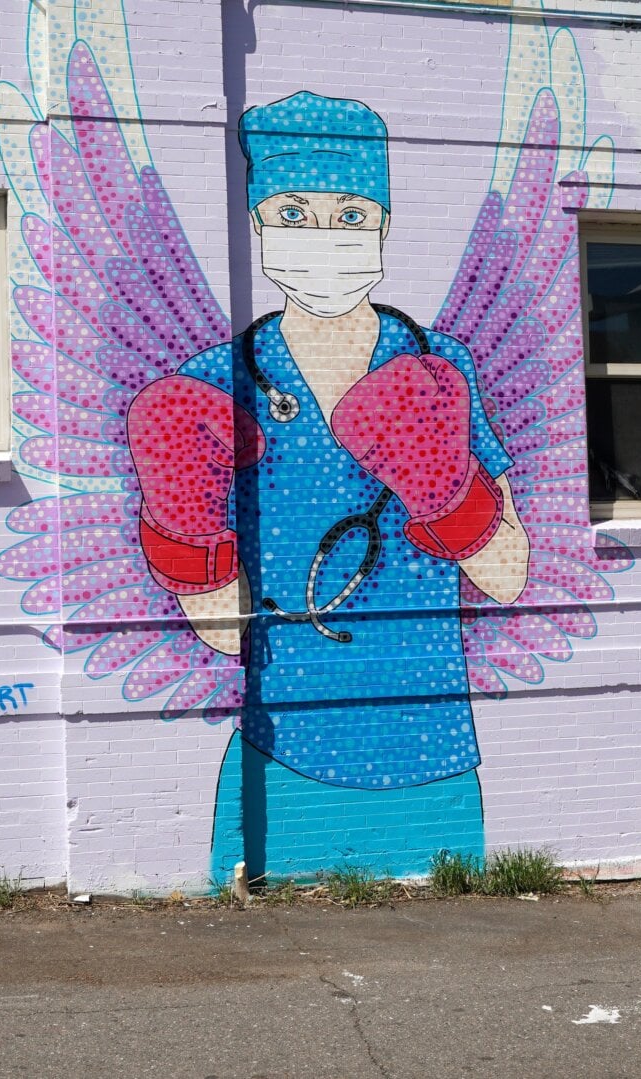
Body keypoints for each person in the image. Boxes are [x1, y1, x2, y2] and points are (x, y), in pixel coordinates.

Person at [124, 91, 531, 883]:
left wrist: (448, 489)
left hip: (432, 750)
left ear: (382, 225)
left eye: (350, 215)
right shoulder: (217, 384)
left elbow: (509, 574)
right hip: (282, 755)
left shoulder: (437, 365)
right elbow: (223, 635)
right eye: (294, 212)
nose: (322, 235)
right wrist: (185, 518)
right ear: (258, 225)